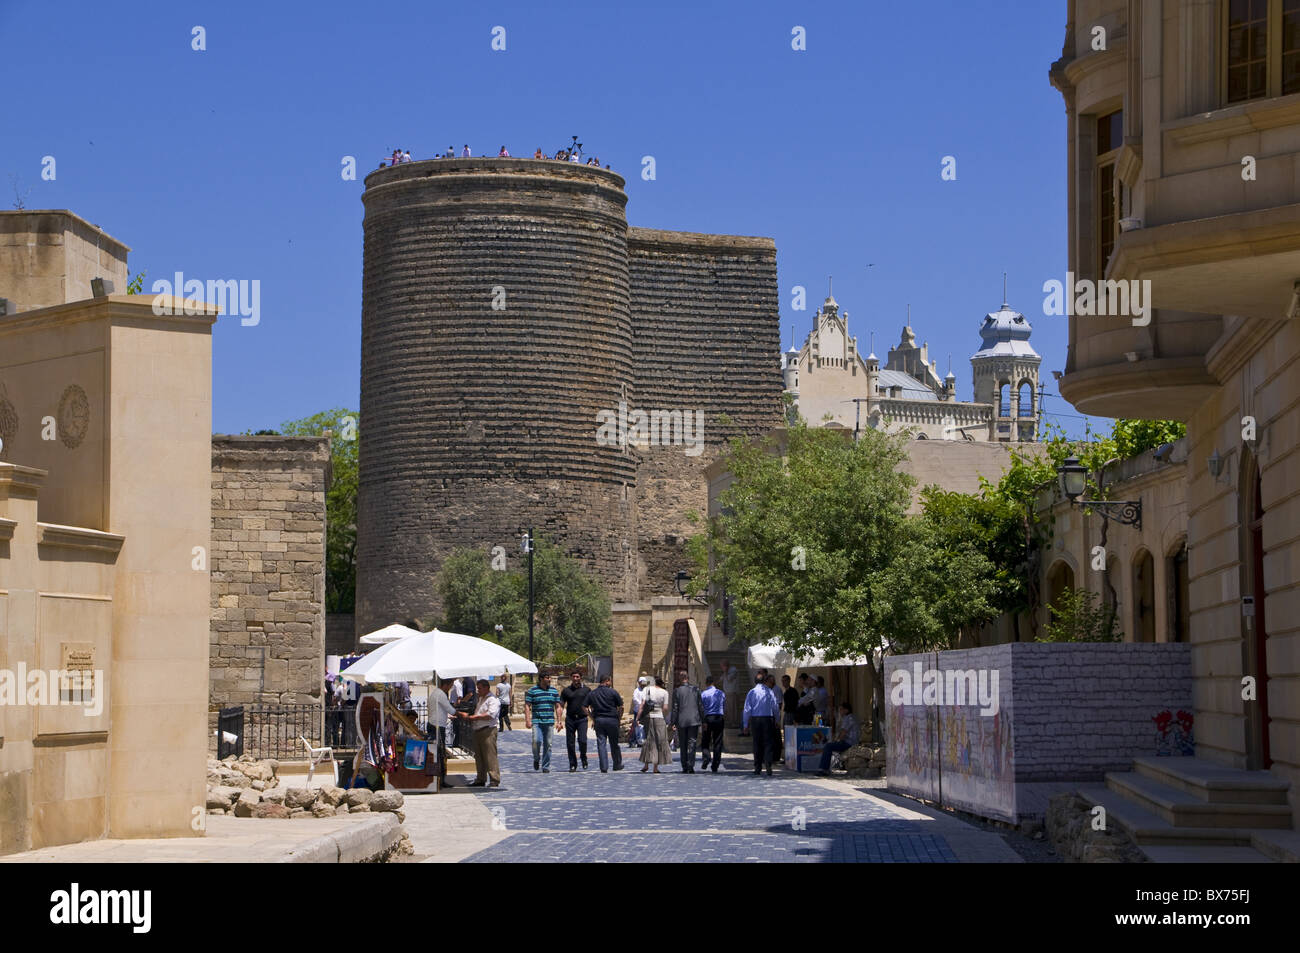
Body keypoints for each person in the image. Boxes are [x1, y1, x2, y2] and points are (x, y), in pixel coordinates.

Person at [460, 679, 502, 787]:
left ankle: (494, 778)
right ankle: (480, 778)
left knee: (490, 755)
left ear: (487, 688)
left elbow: (490, 714)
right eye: (477, 688)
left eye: (480, 688)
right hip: (478, 730)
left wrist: (474, 717)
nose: (478, 690)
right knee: (479, 756)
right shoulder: (480, 699)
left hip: (488, 730)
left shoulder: (493, 700)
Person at [742, 669, 780, 776]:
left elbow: (747, 709)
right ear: (764, 681)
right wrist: (777, 719)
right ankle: (768, 764)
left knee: (757, 743)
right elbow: (775, 707)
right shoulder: (769, 691)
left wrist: (745, 724)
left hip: (756, 719)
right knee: (768, 742)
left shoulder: (751, 692)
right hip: (767, 719)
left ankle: (757, 767)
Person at [584, 674, 624, 772]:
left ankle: (604, 767)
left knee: (601, 743)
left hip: (599, 720)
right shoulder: (613, 692)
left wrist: (592, 718)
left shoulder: (592, 693)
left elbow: (584, 707)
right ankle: (617, 764)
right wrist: (619, 718)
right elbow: (621, 706)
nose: (610, 683)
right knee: (614, 743)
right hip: (612, 720)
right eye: (610, 681)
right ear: (606, 681)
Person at [524, 674, 562, 772]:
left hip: (549, 722)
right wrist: (528, 720)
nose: (549, 679)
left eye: (549, 677)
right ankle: (536, 759)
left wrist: (559, 721)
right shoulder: (532, 691)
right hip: (537, 721)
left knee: (548, 744)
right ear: (541, 679)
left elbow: (558, 707)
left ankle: (545, 766)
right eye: (547, 677)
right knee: (536, 741)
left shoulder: (553, 691)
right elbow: (527, 706)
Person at [669, 670, 702, 774]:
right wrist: (703, 720)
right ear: (688, 678)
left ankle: (684, 766)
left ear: (680, 679)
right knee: (692, 742)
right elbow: (700, 706)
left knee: (683, 743)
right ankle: (691, 765)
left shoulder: (677, 691)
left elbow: (675, 708)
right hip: (694, 720)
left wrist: (672, 722)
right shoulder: (696, 690)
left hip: (682, 720)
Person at [560, 670, 592, 771]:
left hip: (582, 719)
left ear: (581, 678)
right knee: (570, 743)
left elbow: (592, 705)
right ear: (571, 678)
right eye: (573, 677)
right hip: (570, 719)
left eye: (577, 677)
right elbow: (560, 705)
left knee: (582, 741)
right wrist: (559, 720)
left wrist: (594, 718)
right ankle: (572, 764)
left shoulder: (587, 690)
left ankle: (583, 757)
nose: (575, 679)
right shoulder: (566, 691)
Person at [638, 676, 671, 773]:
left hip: (648, 716)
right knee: (658, 741)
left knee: (649, 740)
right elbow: (665, 708)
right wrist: (663, 715)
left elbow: (643, 704)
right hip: (659, 717)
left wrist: (638, 717)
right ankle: (655, 768)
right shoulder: (664, 692)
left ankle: (646, 765)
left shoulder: (648, 690)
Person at [817, 703, 860, 775]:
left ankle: (824, 769)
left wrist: (836, 741)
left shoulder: (848, 718)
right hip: (852, 741)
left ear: (846, 710)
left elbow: (843, 733)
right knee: (829, 745)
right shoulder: (851, 717)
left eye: (841, 709)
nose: (840, 711)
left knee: (828, 746)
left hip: (849, 743)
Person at [698, 674, 725, 772]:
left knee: (705, 740)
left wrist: (702, 720)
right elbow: (723, 705)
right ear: (713, 683)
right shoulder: (721, 693)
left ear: (706, 683)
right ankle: (715, 765)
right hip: (719, 718)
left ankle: (706, 757)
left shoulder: (703, 694)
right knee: (717, 741)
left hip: (708, 718)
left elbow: (701, 708)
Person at [765, 674, 783, 764]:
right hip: (769, 716)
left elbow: (779, 705)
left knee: (776, 738)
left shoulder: (776, 690)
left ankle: (775, 757)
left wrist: (777, 718)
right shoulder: (768, 690)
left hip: (773, 716)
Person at [629, 676, 648, 748]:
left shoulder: (646, 690)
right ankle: (633, 741)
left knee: (644, 726)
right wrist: (641, 704)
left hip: (644, 712)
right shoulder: (636, 690)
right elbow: (634, 699)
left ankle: (642, 740)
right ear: (639, 683)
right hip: (637, 711)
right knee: (635, 726)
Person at [722, 661, 742, 728]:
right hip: (728, 693)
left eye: (722, 666)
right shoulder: (726, 672)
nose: (722, 668)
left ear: (726, 666)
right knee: (729, 709)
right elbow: (722, 679)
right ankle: (731, 722)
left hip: (733, 693)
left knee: (734, 709)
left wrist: (725, 671)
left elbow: (729, 679)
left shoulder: (733, 670)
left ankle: (735, 723)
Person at [781, 674, 799, 743]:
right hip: (787, 713)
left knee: (789, 731)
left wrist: (795, 717)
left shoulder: (793, 691)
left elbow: (795, 704)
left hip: (791, 713)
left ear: (788, 681)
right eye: (782, 681)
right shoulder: (786, 692)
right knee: (786, 730)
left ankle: (790, 744)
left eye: (784, 681)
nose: (783, 683)